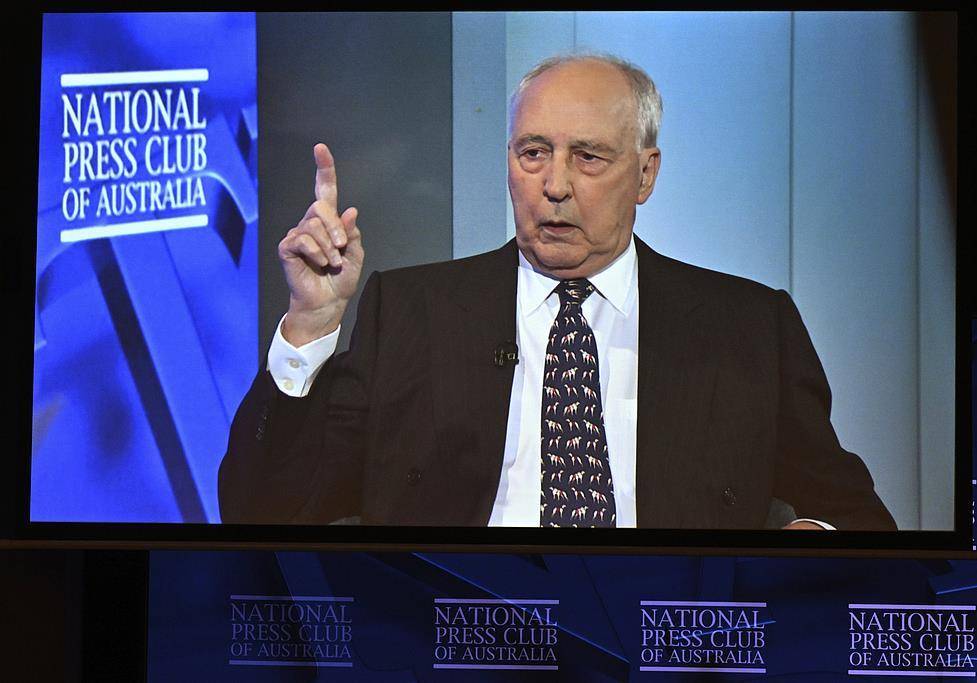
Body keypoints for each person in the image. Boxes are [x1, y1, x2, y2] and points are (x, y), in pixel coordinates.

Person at [218, 53, 896, 530]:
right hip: (458, 638)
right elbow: (263, 512)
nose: (555, 185)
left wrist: (808, 541)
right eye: (533, 153)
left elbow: (856, 517)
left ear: (646, 174)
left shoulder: (748, 326)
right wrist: (310, 324)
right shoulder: (411, 311)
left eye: (588, 157)